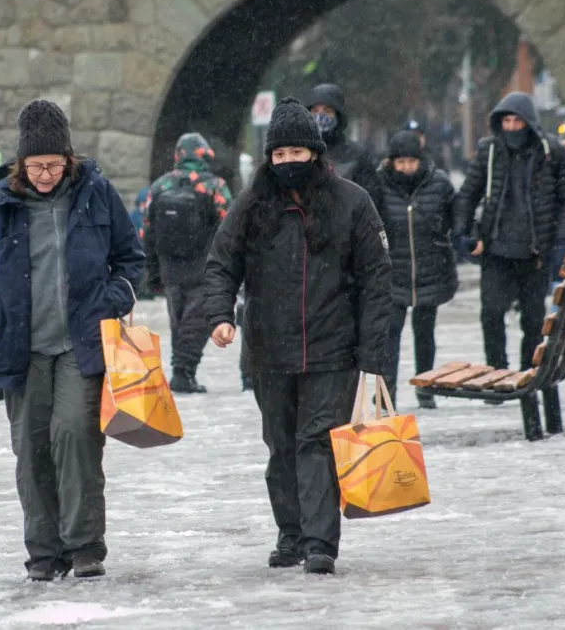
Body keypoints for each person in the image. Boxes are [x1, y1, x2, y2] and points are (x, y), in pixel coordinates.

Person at [0, 99, 145, 581]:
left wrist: (115, 296)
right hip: (20, 348)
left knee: (76, 437)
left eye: (54, 165)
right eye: (36, 166)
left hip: (81, 345)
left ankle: (84, 545)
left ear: (68, 159)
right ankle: (44, 551)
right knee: (32, 449)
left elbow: (131, 257)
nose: (45, 174)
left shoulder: (96, 194)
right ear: (20, 163)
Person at [205, 97, 391, 575]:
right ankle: (290, 532)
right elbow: (222, 262)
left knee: (316, 443)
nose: (288, 163)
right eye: (279, 155)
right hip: (269, 348)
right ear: (270, 158)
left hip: (333, 350)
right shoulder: (252, 204)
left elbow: (376, 281)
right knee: (281, 444)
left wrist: (373, 357)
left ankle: (319, 542)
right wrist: (219, 315)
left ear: (315, 153)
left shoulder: (352, 202)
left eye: (297, 153)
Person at [454, 92, 565, 377]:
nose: (511, 127)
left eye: (517, 121)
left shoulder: (553, 153)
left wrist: (561, 240)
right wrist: (466, 231)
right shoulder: (489, 151)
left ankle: (528, 372)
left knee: (534, 319)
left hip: (536, 252)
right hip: (496, 249)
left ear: (529, 122)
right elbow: (467, 195)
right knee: (491, 313)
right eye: (507, 121)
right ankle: (497, 370)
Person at [142, 133, 233, 394]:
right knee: (198, 320)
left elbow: (147, 231)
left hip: (169, 267)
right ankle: (183, 373)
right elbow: (230, 229)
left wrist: (152, 271)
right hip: (203, 266)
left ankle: (181, 371)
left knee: (178, 322)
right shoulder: (214, 186)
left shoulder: (160, 185)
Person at [379, 132, 458, 409]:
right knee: (389, 334)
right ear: (391, 162)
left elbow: (454, 217)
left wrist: (449, 239)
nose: (406, 168)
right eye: (400, 162)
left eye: (411, 161)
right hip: (392, 272)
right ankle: (386, 395)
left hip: (429, 269)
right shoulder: (378, 186)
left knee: (425, 333)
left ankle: (426, 388)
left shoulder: (439, 184)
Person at [304, 84, 388, 230]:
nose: (320, 116)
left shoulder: (356, 155)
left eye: (327, 111)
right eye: (315, 111)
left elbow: (373, 204)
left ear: (338, 115)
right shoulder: (298, 152)